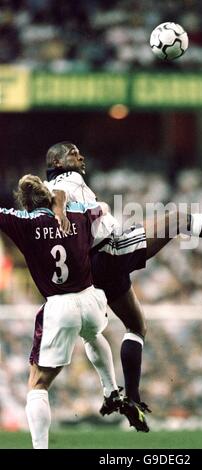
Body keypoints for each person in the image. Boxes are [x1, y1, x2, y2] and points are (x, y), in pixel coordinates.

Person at [44, 142, 202, 433]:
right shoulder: (66, 180)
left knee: (136, 325)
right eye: (73, 153)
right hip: (109, 250)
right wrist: (62, 212)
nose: (80, 156)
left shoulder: (51, 189)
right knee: (176, 220)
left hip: (95, 268)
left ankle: (133, 399)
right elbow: (59, 196)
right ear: (58, 162)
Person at [0, 174, 124, 448]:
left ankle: (40, 448)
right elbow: (102, 207)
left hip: (60, 306)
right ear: (48, 195)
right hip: (91, 299)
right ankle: (111, 389)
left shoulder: (23, 222)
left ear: (25, 203)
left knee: (37, 385)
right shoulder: (77, 214)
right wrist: (61, 203)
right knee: (93, 336)